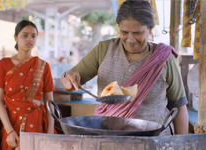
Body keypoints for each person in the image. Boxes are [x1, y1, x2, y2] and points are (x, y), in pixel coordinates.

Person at [60, 0, 189, 136]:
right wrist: (67, 78)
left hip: (154, 140)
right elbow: (69, 84)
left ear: (150, 29)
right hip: (109, 138)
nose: (130, 39)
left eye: (138, 33)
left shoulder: (164, 58)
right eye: (124, 32)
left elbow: (179, 107)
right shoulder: (103, 50)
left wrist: (182, 144)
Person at [0, 20, 56, 150]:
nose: (30, 39)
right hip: (11, 125)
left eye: (33, 36)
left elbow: (50, 102)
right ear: (16, 38)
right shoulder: (3, 64)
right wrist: (9, 131)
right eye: (25, 35)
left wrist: (50, 131)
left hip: (37, 124)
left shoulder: (43, 66)